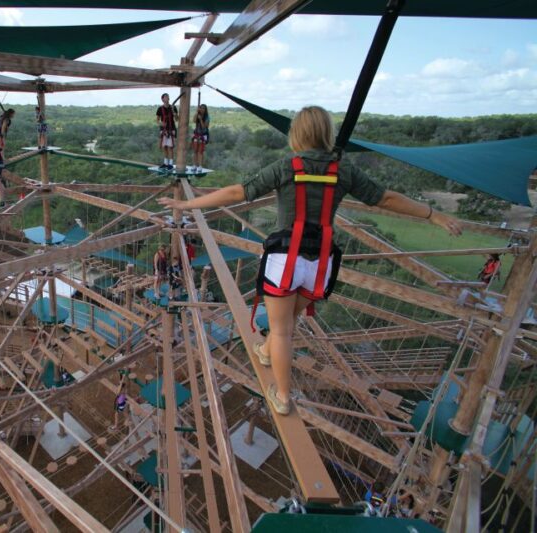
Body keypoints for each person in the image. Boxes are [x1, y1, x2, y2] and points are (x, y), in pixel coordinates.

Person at [158, 106, 462, 415]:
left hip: (284, 260)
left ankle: (283, 396)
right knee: (288, 324)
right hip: (320, 265)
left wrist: (187, 203)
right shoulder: (343, 171)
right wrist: (432, 215)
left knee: (281, 331)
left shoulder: (287, 166)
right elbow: (386, 198)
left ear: (297, 134)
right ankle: (265, 351)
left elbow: (238, 192)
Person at [156, 93, 179, 170]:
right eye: (165, 97)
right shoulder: (160, 109)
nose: (167, 98)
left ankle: (171, 164)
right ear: (162, 99)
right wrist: (161, 123)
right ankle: (166, 163)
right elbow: (157, 120)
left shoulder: (173, 107)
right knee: (164, 147)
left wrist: (174, 113)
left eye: (168, 97)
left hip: (171, 129)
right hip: (163, 130)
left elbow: (177, 119)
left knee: (170, 147)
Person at [191, 104, 209, 174]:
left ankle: (200, 166)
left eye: (203, 109)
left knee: (200, 152)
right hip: (196, 135)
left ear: (205, 110)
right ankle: (194, 165)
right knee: (195, 151)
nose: (202, 110)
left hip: (203, 136)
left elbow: (204, 127)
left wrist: (201, 119)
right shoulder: (197, 115)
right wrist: (196, 113)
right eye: (201, 108)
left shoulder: (207, 117)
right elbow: (194, 121)